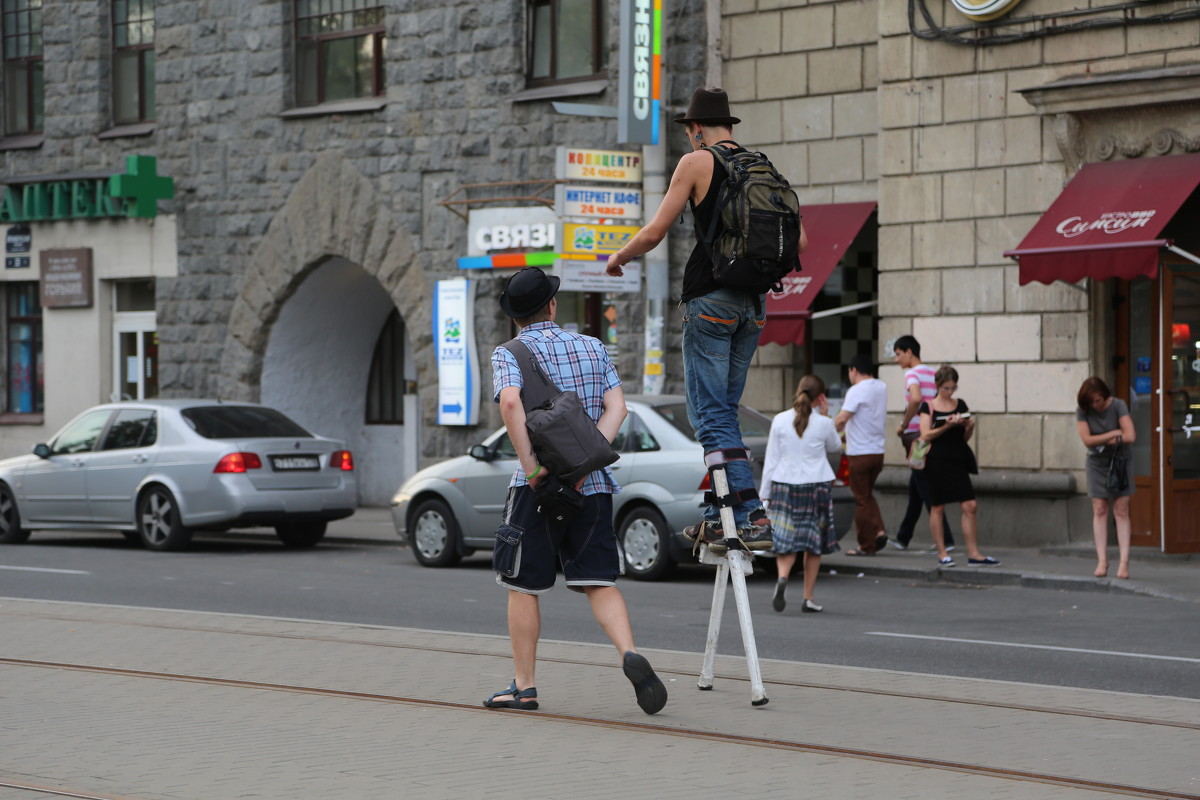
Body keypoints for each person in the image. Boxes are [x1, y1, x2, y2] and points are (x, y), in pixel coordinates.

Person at [605, 87, 808, 552]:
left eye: (690, 130)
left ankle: (751, 515)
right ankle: (716, 516)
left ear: (695, 129)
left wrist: (619, 256)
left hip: (710, 301)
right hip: (754, 305)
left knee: (711, 417)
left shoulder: (696, 163)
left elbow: (655, 231)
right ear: (729, 125)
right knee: (720, 414)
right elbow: (801, 243)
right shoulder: (763, 167)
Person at [483, 267, 667, 715]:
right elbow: (618, 407)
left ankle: (524, 687)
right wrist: (584, 462)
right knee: (598, 582)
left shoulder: (509, 352)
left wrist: (535, 470)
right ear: (551, 306)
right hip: (594, 487)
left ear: (515, 317)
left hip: (537, 491)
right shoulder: (592, 345)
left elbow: (510, 403)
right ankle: (629, 653)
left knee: (523, 586)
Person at [760, 375, 842, 614]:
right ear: (820, 398)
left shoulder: (779, 420)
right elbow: (836, 447)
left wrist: (764, 495)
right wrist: (826, 416)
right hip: (816, 486)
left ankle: (783, 577)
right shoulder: (823, 423)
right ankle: (808, 598)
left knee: (785, 540)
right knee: (812, 543)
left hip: (784, 485)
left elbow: (772, 459)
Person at [918, 365, 999, 568]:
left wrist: (968, 427)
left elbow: (964, 438)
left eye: (953, 387)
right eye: (946, 388)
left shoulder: (960, 404)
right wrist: (947, 425)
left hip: (957, 459)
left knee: (970, 505)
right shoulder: (927, 406)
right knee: (937, 506)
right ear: (937, 385)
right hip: (936, 460)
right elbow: (925, 435)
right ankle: (942, 553)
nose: (950, 392)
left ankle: (974, 554)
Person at [892, 335, 955, 552]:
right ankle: (903, 536)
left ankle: (946, 539)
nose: (896, 359)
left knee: (925, 486)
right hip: (931, 435)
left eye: (898, 354)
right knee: (917, 486)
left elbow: (916, 399)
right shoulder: (932, 373)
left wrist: (904, 423)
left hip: (916, 438)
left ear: (909, 352)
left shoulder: (912, 373)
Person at [1075, 377, 1135, 579]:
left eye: (1098, 400)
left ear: (1104, 395)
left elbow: (1130, 436)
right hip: (1096, 464)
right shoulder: (1083, 410)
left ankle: (1124, 563)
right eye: (1091, 402)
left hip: (1120, 461)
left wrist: (1108, 437)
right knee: (1099, 509)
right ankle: (1102, 560)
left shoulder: (1118, 405)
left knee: (1121, 510)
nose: (1095, 405)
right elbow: (1087, 440)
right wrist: (1112, 434)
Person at [833, 355, 889, 556]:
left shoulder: (856, 390)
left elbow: (842, 419)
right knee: (867, 494)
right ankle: (879, 530)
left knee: (860, 499)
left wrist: (827, 433)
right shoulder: (881, 387)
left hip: (859, 453)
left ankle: (866, 545)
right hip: (878, 452)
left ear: (853, 370)